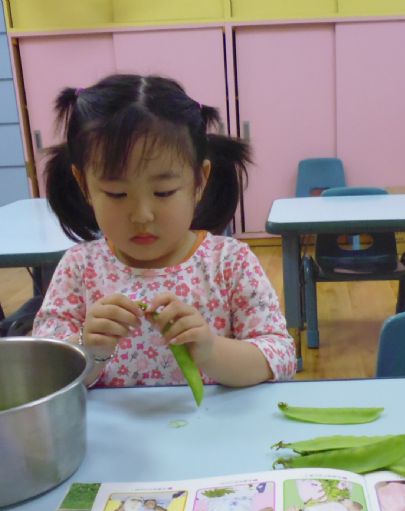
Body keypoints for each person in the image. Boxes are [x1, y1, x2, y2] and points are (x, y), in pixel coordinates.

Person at [32, 73, 296, 388]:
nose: (142, 215)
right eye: (117, 194)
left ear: (199, 181)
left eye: (164, 192)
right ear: (84, 185)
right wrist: (87, 349)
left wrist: (211, 351)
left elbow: (280, 355)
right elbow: (44, 372)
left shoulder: (229, 263)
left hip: (211, 420)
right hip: (108, 422)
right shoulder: (79, 268)